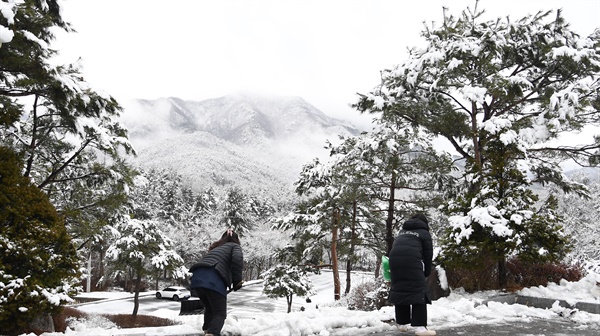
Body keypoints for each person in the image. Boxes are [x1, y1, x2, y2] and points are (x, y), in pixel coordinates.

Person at [387, 213, 436, 336]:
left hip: (394, 260)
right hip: (411, 261)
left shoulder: (402, 231)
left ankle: (402, 324)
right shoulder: (424, 233)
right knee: (418, 291)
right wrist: (427, 271)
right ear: (425, 223)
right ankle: (420, 328)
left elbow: (396, 247)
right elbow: (428, 254)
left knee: (400, 289)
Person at [189, 229, 244, 336]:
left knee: (210, 309)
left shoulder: (217, 248)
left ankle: (206, 331)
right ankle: (211, 333)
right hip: (213, 278)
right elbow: (237, 259)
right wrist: (237, 281)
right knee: (220, 313)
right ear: (237, 240)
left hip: (197, 278)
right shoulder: (234, 246)